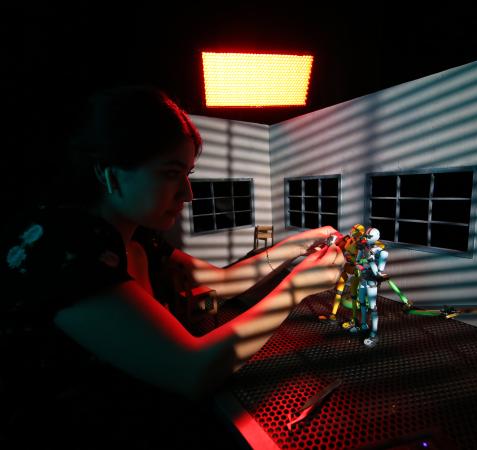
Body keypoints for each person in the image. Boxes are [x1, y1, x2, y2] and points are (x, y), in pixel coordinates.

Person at [1, 86, 344, 448]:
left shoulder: (138, 236)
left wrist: (296, 246)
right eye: (170, 173)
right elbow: (191, 371)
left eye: (187, 173)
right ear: (110, 174)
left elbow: (223, 281)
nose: (187, 194)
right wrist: (295, 289)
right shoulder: (62, 246)